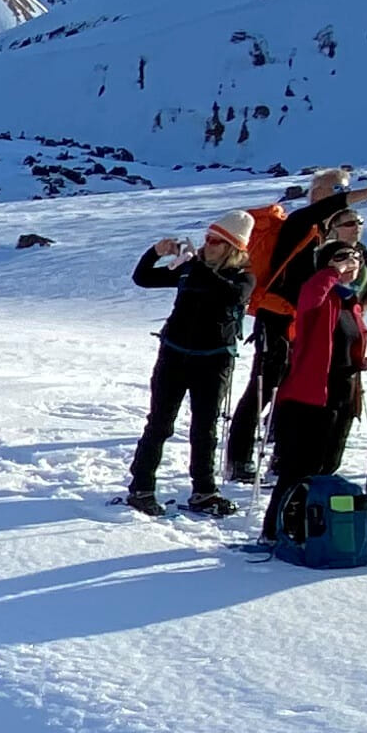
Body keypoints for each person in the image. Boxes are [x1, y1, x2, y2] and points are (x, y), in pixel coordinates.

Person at [223, 166, 367, 484]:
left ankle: (282, 455)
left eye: (343, 190)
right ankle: (238, 458)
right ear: (318, 195)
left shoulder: (322, 235)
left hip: (302, 321)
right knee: (265, 385)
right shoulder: (302, 222)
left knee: (291, 390)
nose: (341, 197)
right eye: (336, 190)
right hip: (278, 317)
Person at [125, 219, 249, 515]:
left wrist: (199, 267)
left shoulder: (242, 277)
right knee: (160, 423)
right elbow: (143, 278)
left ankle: (204, 491)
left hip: (215, 359)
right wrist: (156, 252)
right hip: (175, 355)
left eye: (216, 241)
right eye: (207, 238)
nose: (208, 244)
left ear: (233, 248)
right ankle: (141, 487)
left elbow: (232, 296)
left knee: (205, 428)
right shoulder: (190, 269)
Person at [264, 244, 367, 540]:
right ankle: (276, 530)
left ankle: (309, 527)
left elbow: (345, 348)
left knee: (328, 466)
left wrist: (366, 360)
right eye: (342, 257)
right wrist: (332, 272)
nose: (351, 262)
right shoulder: (319, 294)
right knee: (297, 468)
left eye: (356, 257)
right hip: (308, 396)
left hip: (343, 393)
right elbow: (310, 298)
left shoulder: (351, 302)